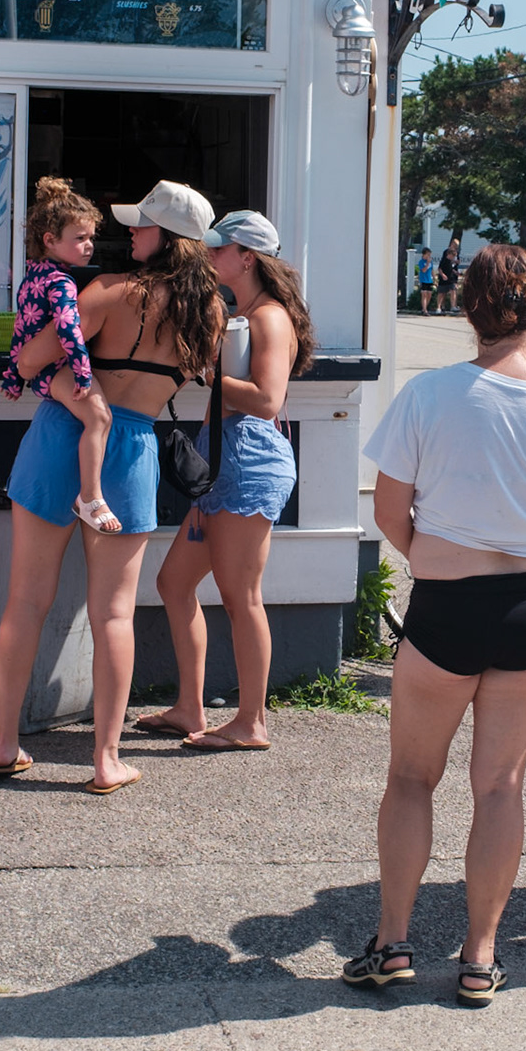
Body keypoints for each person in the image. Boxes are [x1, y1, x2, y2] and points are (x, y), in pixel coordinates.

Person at [346, 242, 526, 1007]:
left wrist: (434, 557)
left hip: (447, 603)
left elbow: (388, 510)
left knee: (412, 778)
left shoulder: (429, 395)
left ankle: (393, 943)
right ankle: (478, 957)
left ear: (466, 309)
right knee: (500, 784)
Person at [0, 180, 223, 793]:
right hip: (132, 447)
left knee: (25, 601)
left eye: (141, 225)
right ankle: (106, 760)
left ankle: (5, 743)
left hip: (62, 435)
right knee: (115, 613)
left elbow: (30, 360)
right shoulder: (211, 314)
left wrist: (74, 387)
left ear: (167, 236)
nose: (130, 232)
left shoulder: (110, 291)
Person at [137, 211, 314, 752]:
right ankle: (190, 707)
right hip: (225, 460)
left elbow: (267, 400)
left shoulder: (269, 318)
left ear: (248, 257)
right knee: (173, 583)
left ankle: (252, 723)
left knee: (241, 597)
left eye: (219, 249)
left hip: (249, 461)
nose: (210, 256)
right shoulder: (244, 313)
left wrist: (206, 374)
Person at [0, 178, 119, 537]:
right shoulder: (62, 282)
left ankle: (89, 495)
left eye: (91, 237)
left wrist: (13, 377)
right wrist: (82, 371)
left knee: (95, 418)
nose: (89, 245)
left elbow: (22, 328)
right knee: (99, 417)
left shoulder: (31, 276)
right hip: (58, 369)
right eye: (80, 238)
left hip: (42, 373)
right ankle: (90, 497)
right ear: (50, 240)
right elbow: (69, 327)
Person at [435, 238, 461, 314]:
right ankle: (439, 307)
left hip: (451, 277)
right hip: (444, 277)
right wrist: (443, 275)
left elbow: (451, 268)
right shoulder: (445, 259)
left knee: (453, 290)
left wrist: (456, 272)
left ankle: (453, 306)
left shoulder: (453, 257)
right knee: (442, 293)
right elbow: (440, 268)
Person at [414, 246, 436, 314]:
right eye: (428, 254)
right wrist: (427, 264)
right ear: (424, 254)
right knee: (424, 294)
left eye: (429, 255)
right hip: (423, 280)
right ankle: (424, 309)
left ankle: (425, 307)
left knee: (429, 295)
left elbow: (432, 270)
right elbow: (423, 270)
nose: (429, 256)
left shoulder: (430, 262)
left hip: (429, 280)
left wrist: (434, 278)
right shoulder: (421, 262)